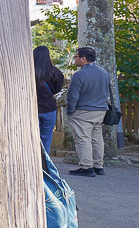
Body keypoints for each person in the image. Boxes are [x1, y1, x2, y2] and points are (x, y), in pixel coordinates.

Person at [66, 46, 111, 177]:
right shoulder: (104, 73)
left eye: (76, 57)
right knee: (97, 138)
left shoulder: (79, 75)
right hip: (100, 110)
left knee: (82, 138)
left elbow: (73, 96)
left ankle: (86, 167)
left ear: (83, 59)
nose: (75, 59)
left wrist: (70, 111)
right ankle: (98, 165)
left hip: (83, 110)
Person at [33, 46, 65, 153]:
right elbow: (57, 89)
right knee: (46, 140)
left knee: (31, 139)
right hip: (49, 109)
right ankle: (44, 165)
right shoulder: (56, 72)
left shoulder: (29, 72)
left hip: (32, 109)